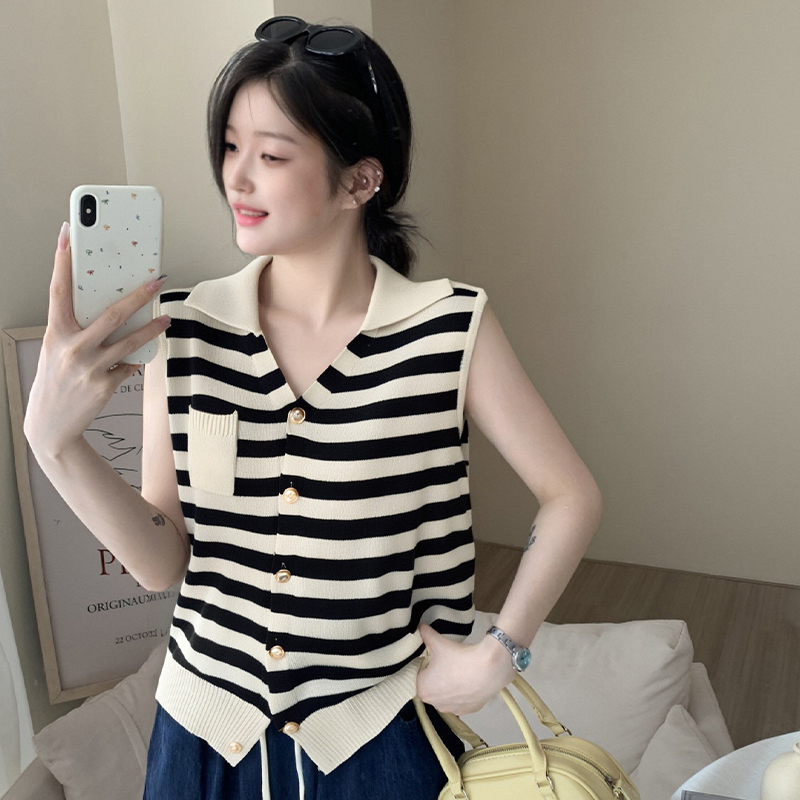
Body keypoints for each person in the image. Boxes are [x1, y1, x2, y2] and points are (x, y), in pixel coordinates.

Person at [24, 15, 603, 800]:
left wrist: (503, 648)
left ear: (360, 181)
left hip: (378, 739)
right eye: (230, 146)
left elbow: (571, 496)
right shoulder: (185, 329)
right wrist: (56, 445)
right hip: (200, 741)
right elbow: (162, 562)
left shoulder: (448, 327)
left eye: (270, 155)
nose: (236, 178)